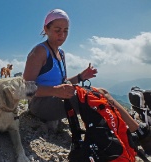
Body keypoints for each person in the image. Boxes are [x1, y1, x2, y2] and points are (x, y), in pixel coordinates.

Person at [23, 9, 151, 154]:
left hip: (54, 99)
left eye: (66, 30)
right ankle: (141, 134)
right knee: (94, 97)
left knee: (101, 92)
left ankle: (131, 131)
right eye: (57, 30)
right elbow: (25, 88)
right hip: (39, 105)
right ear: (46, 29)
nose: (62, 35)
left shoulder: (61, 53)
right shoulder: (39, 52)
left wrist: (80, 77)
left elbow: (62, 84)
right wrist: (55, 91)